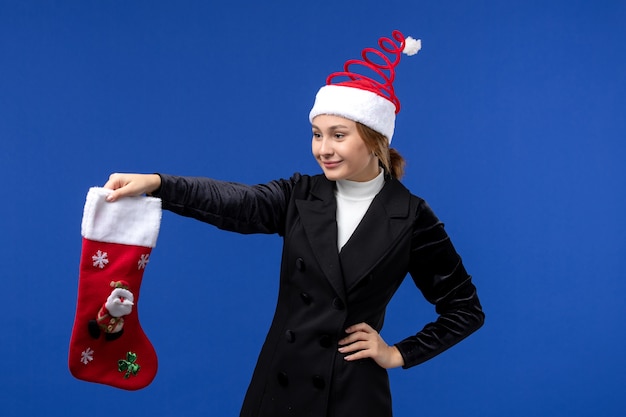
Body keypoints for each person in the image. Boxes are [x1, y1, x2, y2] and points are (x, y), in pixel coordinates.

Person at [103, 30, 484, 417]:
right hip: (280, 384)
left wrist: (397, 353)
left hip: (352, 394)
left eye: (338, 135)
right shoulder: (300, 194)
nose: (323, 149)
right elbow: (237, 202)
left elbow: (465, 309)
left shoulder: (411, 216)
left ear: (374, 140)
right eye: (317, 135)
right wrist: (159, 185)